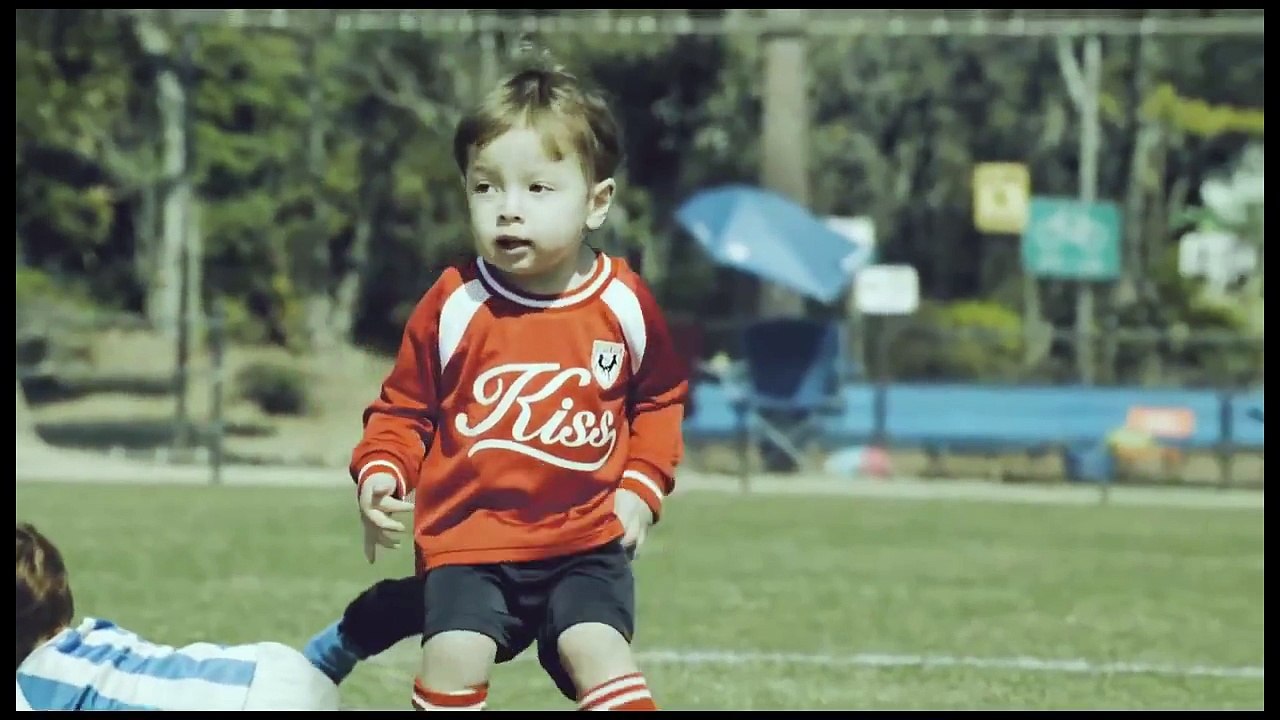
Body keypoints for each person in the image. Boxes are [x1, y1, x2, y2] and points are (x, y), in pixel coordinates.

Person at [350, 55, 688, 712]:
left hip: (585, 539)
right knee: (454, 650)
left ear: (596, 203)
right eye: (486, 188)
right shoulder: (454, 305)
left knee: (598, 649)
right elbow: (404, 410)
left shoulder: (623, 303)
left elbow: (659, 402)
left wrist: (641, 489)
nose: (508, 210)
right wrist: (382, 469)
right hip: (471, 540)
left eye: (538, 189)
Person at [16, 521, 425, 711]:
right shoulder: (94, 638)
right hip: (270, 670)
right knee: (318, 665)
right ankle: (368, 622)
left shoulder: (30, 690)